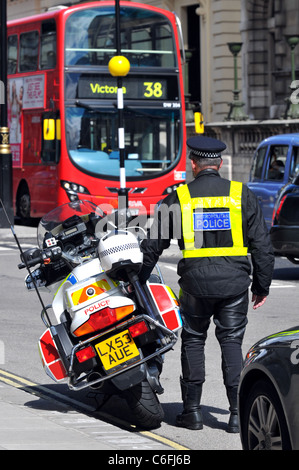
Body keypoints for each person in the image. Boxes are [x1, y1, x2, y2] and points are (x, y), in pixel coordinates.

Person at [139, 135, 274, 433]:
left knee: (194, 341)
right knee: (231, 343)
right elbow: (263, 245)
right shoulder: (241, 195)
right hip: (235, 285)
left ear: (193, 164)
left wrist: (138, 279)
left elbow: (152, 245)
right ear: (220, 164)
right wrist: (261, 286)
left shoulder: (181, 197)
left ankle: (193, 413)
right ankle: (237, 415)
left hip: (195, 286)